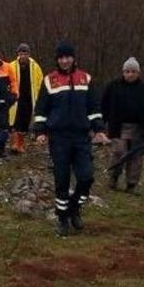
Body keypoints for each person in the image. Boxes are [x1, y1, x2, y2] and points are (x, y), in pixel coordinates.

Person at [33, 42, 109, 237]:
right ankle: (62, 219)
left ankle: (74, 208)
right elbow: (41, 110)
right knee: (62, 180)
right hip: (58, 138)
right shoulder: (50, 80)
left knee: (87, 176)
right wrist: (40, 131)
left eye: (68, 57)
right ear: (57, 59)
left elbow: (93, 108)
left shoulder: (86, 78)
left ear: (74, 58)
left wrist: (99, 129)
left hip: (81, 137)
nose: (65, 60)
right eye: (61, 57)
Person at [101, 57, 144, 193]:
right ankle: (113, 178)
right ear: (123, 72)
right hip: (117, 126)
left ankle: (132, 184)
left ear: (138, 73)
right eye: (127, 71)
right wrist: (101, 124)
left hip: (139, 128)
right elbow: (104, 105)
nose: (130, 74)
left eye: (133, 71)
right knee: (119, 152)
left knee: (136, 156)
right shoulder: (113, 86)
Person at [8, 43, 43, 154]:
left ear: (28, 54)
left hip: (29, 98)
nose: (23, 56)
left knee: (24, 122)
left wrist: (40, 96)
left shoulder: (35, 66)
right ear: (18, 54)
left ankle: (21, 144)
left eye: (25, 53)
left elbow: (40, 82)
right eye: (21, 53)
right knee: (13, 121)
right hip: (15, 98)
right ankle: (14, 144)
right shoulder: (12, 66)